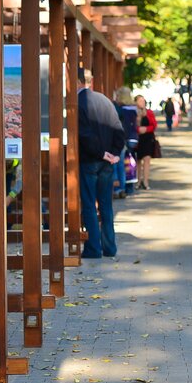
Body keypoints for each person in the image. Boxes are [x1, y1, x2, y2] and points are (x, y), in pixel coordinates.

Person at [76, 68, 125, 258]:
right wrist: (114, 154)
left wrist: (102, 153)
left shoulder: (77, 103)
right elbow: (118, 130)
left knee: (89, 205)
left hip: (89, 161)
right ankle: (110, 247)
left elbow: (84, 135)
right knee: (106, 205)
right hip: (107, 163)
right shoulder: (106, 101)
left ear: (77, 81)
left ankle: (93, 248)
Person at [113, 86, 138, 198]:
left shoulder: (122, 110)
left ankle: (118, 188)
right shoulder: (133, 109)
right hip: (134, 138)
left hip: (124, 139)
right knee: (129, 164)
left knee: (119, 164)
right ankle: (127, 187)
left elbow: (124, 126)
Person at [134, 94, 160, 189]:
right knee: (138, 161)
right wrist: (138, 129)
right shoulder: (134, 112)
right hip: (137, 139)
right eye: (140, 101)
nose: (142, 103)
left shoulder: (149, 112)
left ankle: (145, 181)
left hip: (148, 138)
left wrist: (146, 129)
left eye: (143, 101)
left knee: (147, 159)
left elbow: (154, 125)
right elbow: (130, 125)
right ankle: (138, 181)